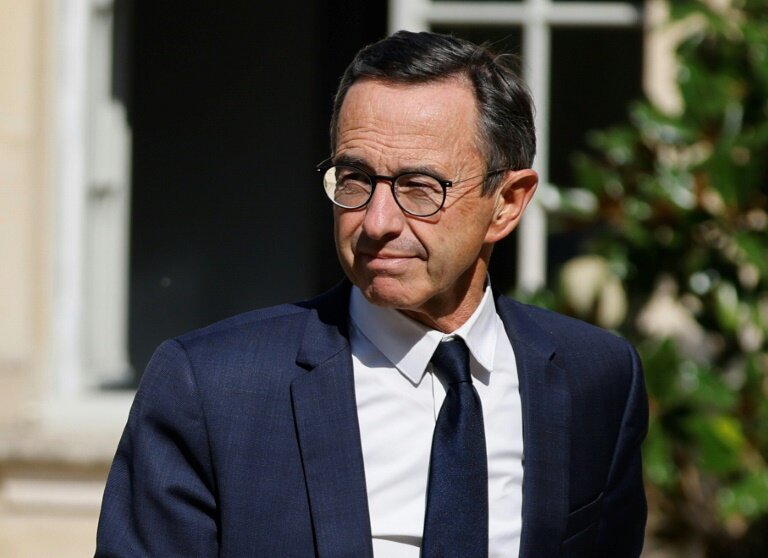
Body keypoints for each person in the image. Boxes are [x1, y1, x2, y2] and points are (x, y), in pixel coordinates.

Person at [96, 30, 647, 557]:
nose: (376, 221)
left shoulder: (596, 378)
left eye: (420, 187)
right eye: (355, 178)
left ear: (507, 203)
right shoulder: (213, 387)